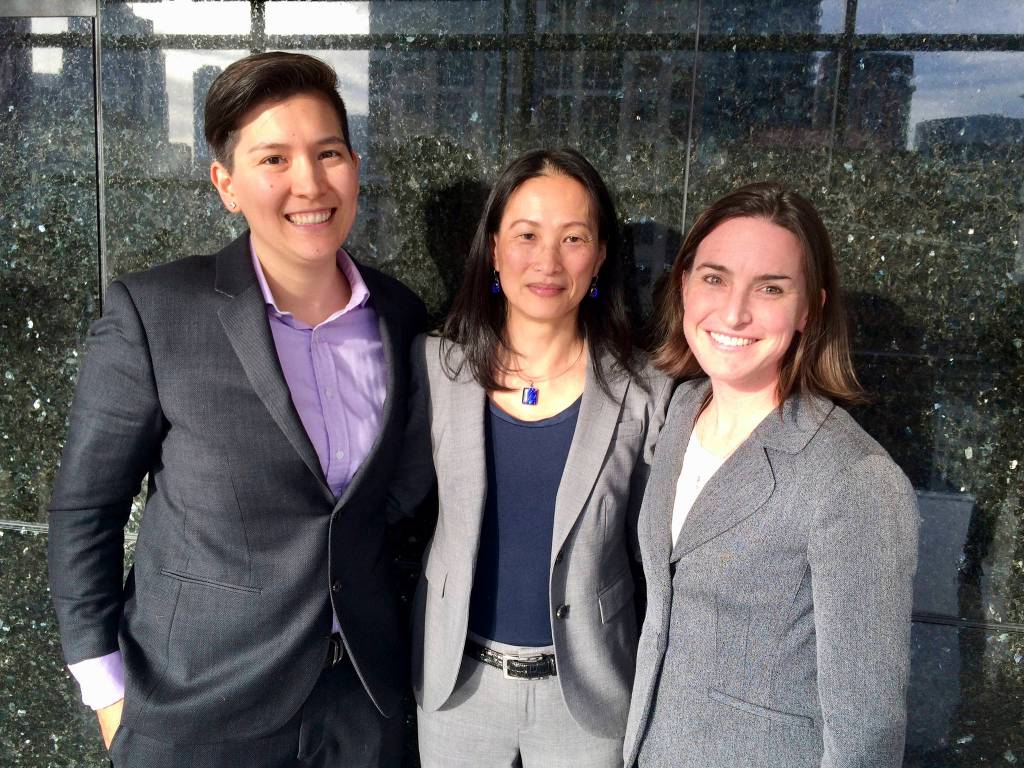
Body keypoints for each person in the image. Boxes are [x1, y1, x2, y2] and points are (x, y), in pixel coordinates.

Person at [47, 52, 425, 768]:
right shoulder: (156, 312)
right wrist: (107, 693)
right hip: (199, 707)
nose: (309, 183)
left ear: (355, 164)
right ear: (226, 184)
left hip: (365, 708)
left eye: (328, 153)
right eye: (273, 158)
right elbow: (85, 512)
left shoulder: (401, 315)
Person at [387, 148, 674, 768]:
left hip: (588, 694)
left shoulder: (644, 390)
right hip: (458, 685)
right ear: (494, 248)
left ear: (599, 257)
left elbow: (654, 550)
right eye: (527, 235)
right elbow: (396, 501)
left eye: (573, 238)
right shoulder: (438, 367)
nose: (548, 261)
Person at [623, 181, 919, 768]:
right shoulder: (683, 409)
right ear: (683, 286)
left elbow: (867, 726)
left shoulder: (855, 480)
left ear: (810, 309)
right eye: (714, 277)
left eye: (771, 288)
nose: (734, 311)